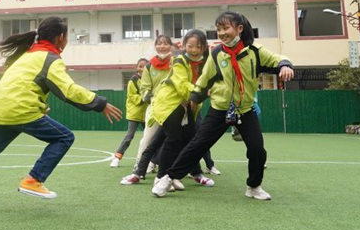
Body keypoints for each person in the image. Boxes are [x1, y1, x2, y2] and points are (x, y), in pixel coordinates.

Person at [0, 17, 122, 210]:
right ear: (60, 37)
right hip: (20, 110)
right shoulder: (50, 59)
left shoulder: (26, 56)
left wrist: (40, 106)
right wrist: (99, 103)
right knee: (64, 137)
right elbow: (68, 90)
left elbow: (25, 85)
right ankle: (33, 180)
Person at [152, 11, 293, 200]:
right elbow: (204, 79)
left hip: (244, 110)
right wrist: (195, 98)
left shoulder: (254, 51)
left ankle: (254, 187)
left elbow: (277, 59)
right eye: (218, 29)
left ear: (239, 29)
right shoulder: (217, 53)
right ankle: (168, 177)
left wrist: (285, 66)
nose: (222, 33)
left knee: (257, 149)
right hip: (220, 109)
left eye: (226, 28)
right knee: (197, 145)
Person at [148, 29, 215, 192]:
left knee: (191, 140)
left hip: (189, 106)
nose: (193, 50)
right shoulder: (179, 60)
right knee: (173, 140)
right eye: (190, 46)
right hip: (170, 104)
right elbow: (181, 84)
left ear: (204, 47)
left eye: (198, 46)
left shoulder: (205, 62)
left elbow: (208, 81)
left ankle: (183, 175)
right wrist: (199, 94)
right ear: (184, 45)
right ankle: (160, 178)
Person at [120, 35, 173, 185]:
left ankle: (185, 171)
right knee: (147, 138)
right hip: (155, 108)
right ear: (155, 46)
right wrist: (151, 99)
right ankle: (139, 168)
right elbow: (144, 88)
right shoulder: (150, 66)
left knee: (179, 139)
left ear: (171, 46)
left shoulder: (176, 63)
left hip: (174, 108)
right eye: (159, 43)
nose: (162, 46)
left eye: (166, 43)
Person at [110, 58, 149, 167]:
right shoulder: (133, 80)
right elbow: (132, 96)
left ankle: (150, 162)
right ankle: (117, 157)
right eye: (140, 66)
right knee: (129, 136)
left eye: (145, 66)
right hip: (134, 114)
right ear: (137, 67)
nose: (142, 69)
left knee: (150, 138)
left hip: (146, 114)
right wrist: (143, 98)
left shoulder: (149, 80)